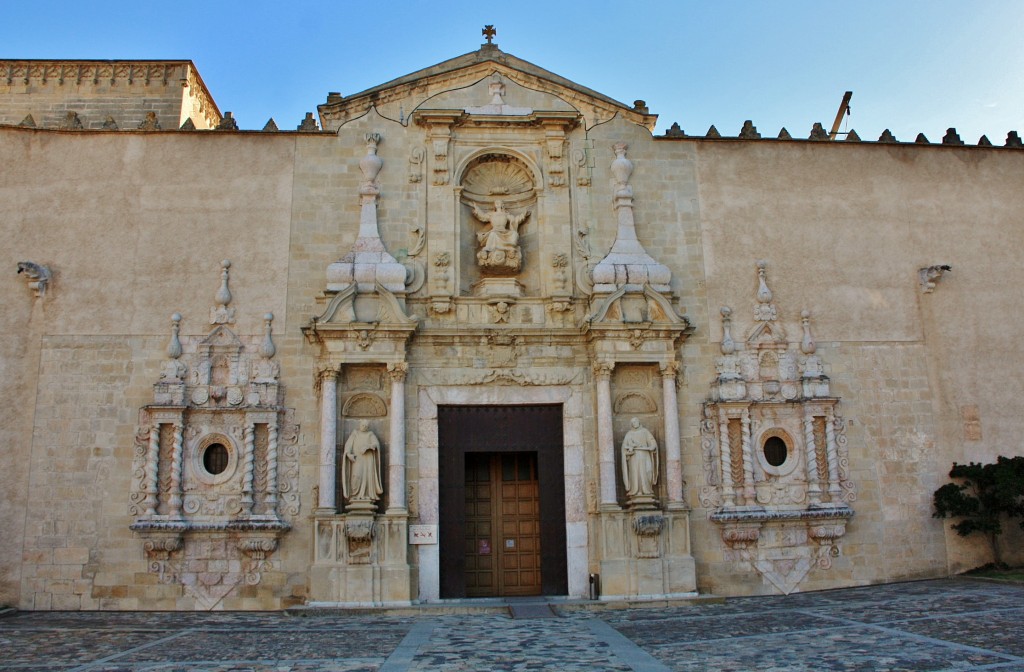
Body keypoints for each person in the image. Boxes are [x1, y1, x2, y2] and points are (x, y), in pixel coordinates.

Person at [342, 420, 383, 503]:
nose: (364, 427)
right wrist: (349, 454)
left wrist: (368, 446)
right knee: (356, 476)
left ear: (368, 427)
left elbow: (376, 444)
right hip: (357, 459)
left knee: (367, 477)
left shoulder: (370, 434)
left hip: (367, 460)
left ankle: (366, 495)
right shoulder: (355, 434)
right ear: (359, 425)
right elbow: (348, 446)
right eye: (362, 425)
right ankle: (354, 495)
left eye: (365, 426)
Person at [621, 417, 659, 498]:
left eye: (636, 421)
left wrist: (652, 446)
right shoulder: (629, 434)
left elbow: (652, 441)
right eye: (633, 422)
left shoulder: (645, 432)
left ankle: (647, 490)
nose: (635, 423)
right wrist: (629, 449)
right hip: (634, 457)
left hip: (645, 455)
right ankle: (636, 491)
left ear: (639, 422)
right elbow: (624, 447)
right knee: (636, 473)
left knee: (647, 471)